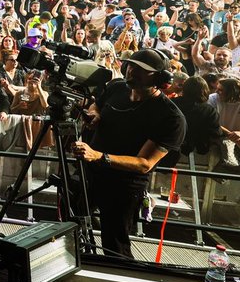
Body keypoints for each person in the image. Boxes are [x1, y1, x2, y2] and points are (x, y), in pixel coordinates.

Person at [73, 49, 186, 258]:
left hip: (123, 186)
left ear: (160, 78)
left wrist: (99, 156)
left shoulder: (170, 117)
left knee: (114, 245)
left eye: (142, 70)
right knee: (70, 227)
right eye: (131, 66)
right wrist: (94, 115)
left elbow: (144, 162)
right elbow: (96, 105)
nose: (132, 71)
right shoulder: (116, 87)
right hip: (89, 172)